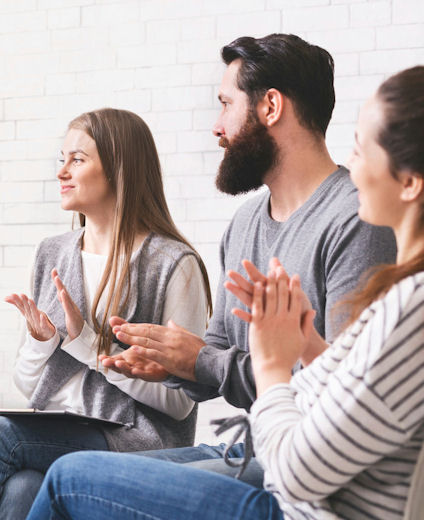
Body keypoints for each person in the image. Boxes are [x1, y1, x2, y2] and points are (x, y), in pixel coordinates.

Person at [12, 64, 424, 520]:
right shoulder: (254, 226)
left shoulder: (406, 301)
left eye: (361, 148)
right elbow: (341, 395)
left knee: (67, 476)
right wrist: (300, 345)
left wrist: (270, 364)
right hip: (288, 487)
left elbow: (297, 471)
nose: (351, 168)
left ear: (410, 183)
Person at [100, 33, 396, 485]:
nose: (217, 127)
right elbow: (220, 352)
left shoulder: (355, 217)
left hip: (306, 470)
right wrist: (177, 366)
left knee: (76, 478)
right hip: (252, 449)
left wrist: (202, 362)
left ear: (270, 107)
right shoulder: (244, 223)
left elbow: (341, 388)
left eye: (225, 104)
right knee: (56, 518)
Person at [0, 108, 212, 520]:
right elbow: (31, 386)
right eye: (61, 159)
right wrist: (43, 342)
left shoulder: (172, 264)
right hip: (57, 430)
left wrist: (86, 344)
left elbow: (180, 401)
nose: (61, 172)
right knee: (23, 486)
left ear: (119, 168)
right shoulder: (53, 252)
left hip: (139, 442)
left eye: (77, 160)